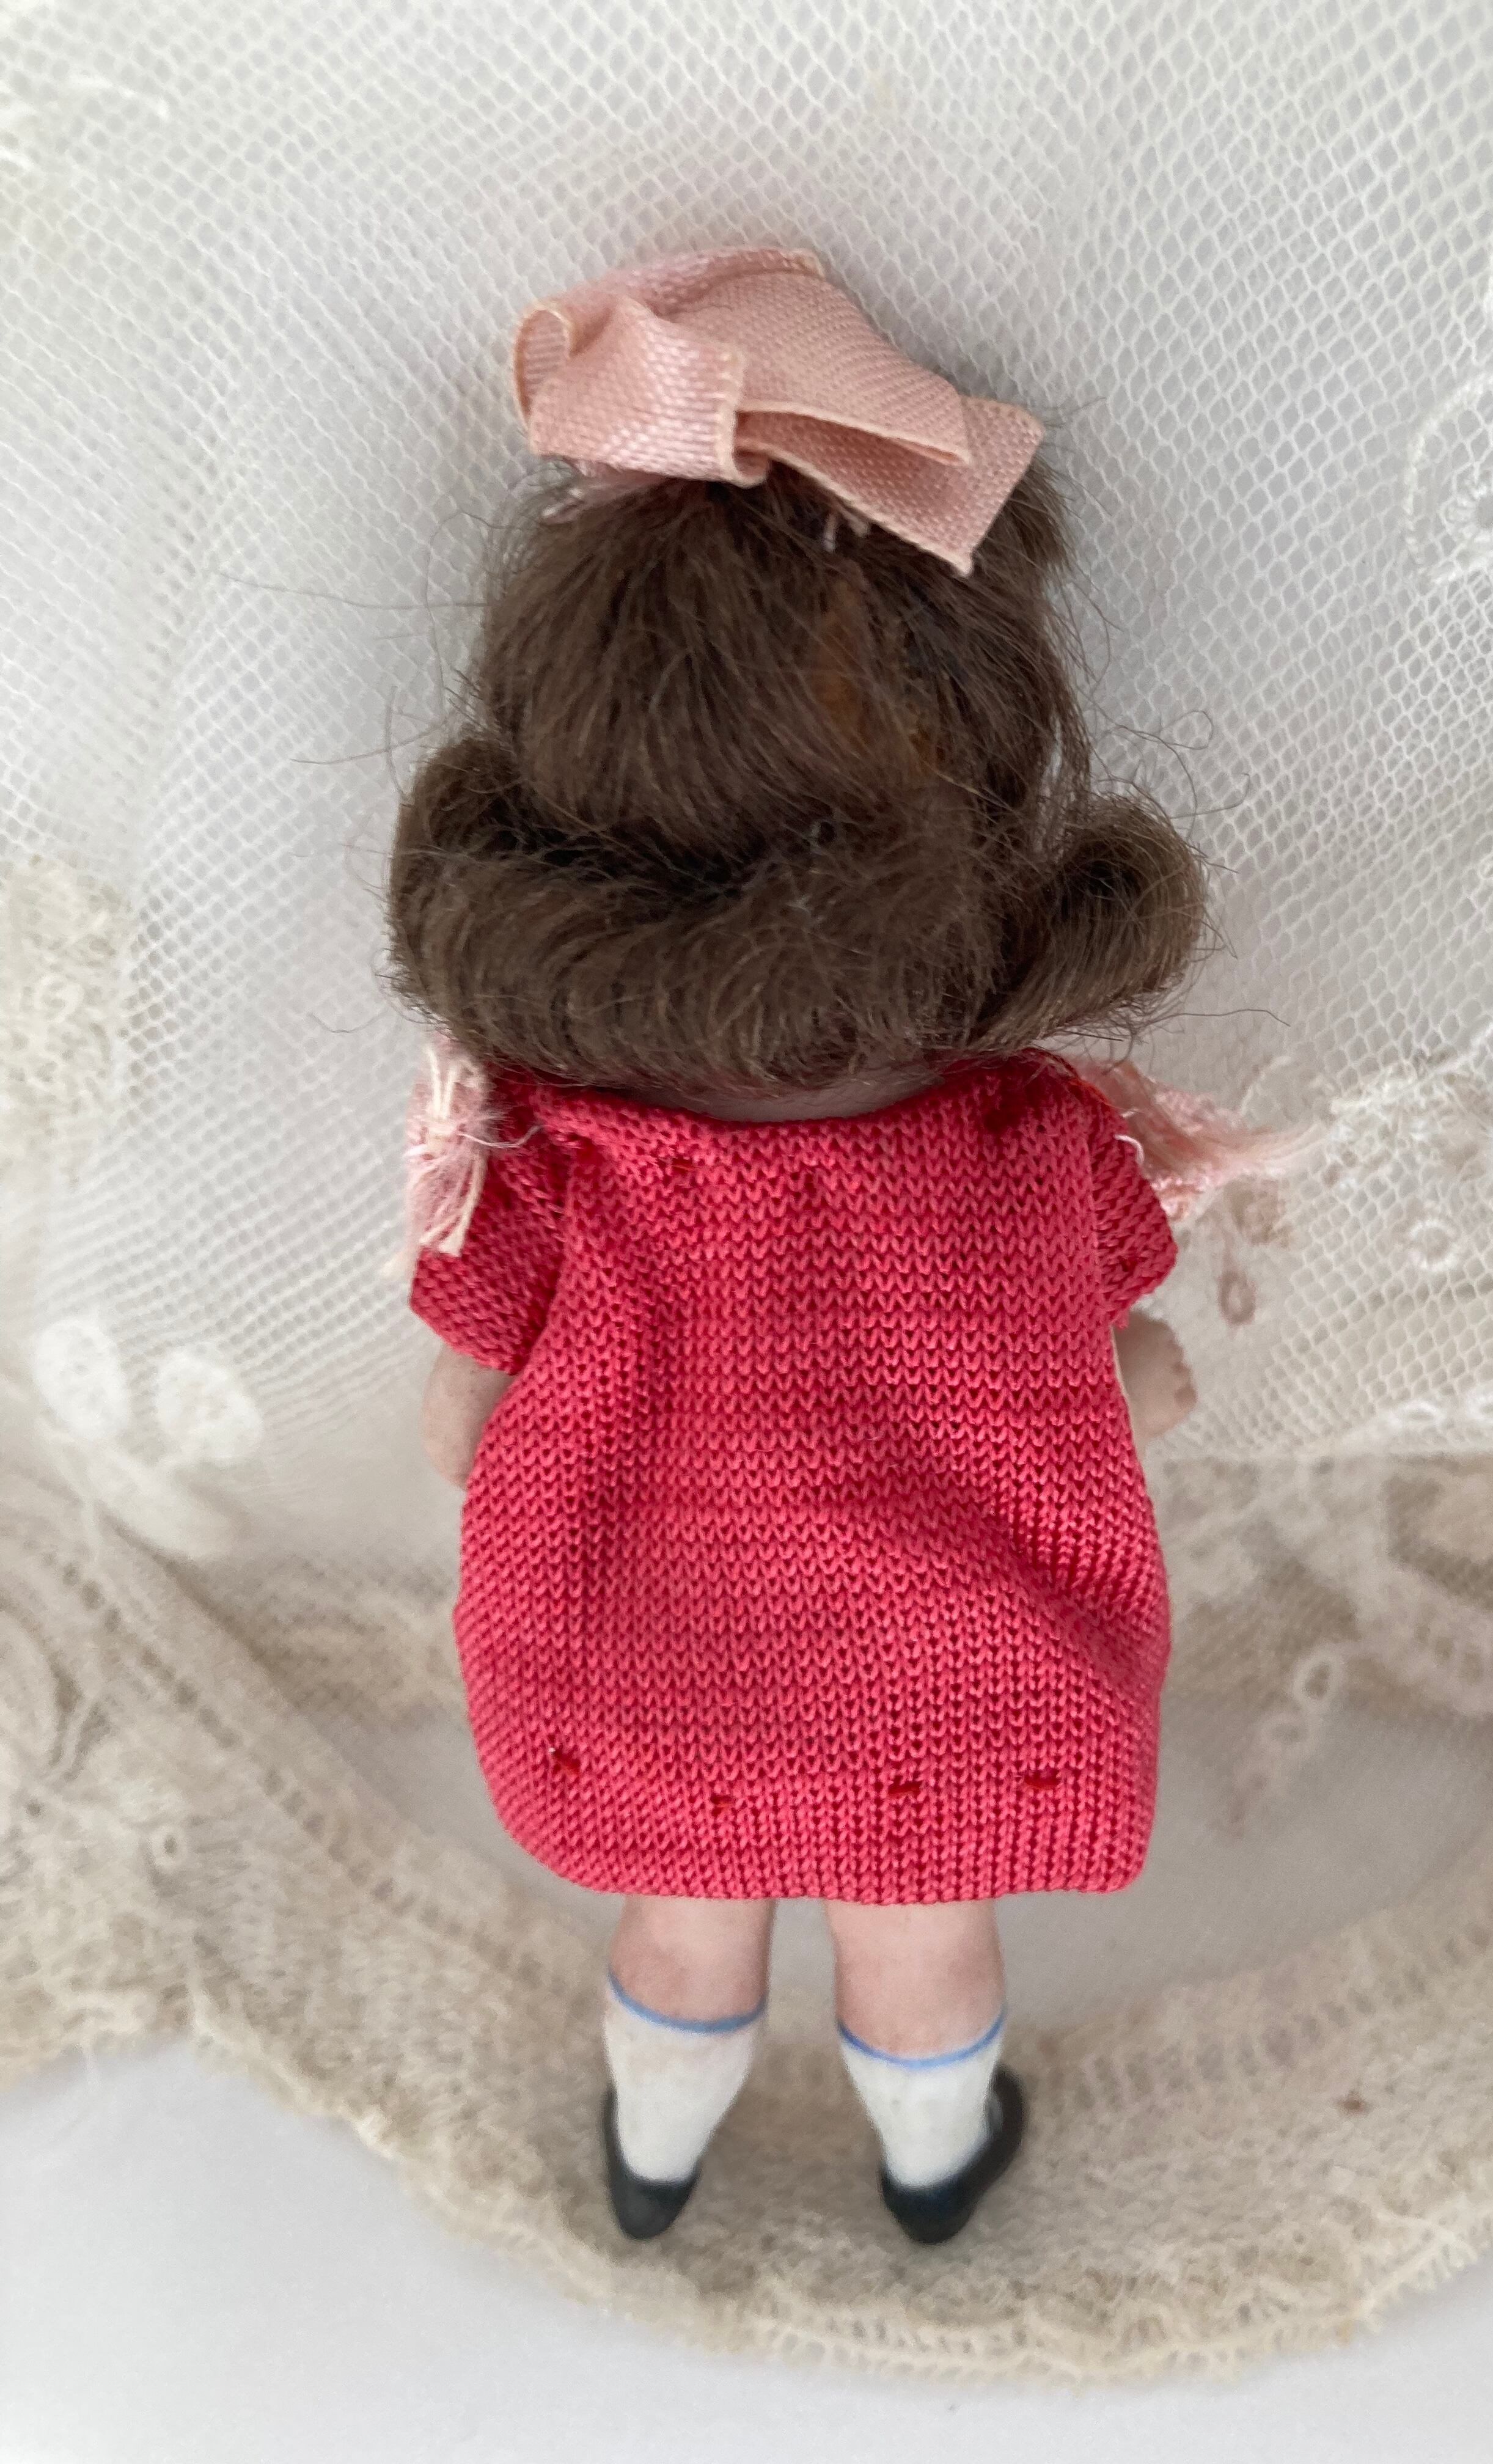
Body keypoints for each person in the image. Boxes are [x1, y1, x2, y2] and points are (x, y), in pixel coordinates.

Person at [389, 248, 1208, 2245]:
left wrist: (562, 1446)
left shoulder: (564, 1161)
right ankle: (935, 2168)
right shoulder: (1033, 1150)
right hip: (951, 1671)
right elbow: (1132, 1377)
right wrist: (1121, 1400)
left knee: (686, 1918)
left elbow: (457, 1425)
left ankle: (652, 2154)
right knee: (921, 1933)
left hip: (657, 1664)